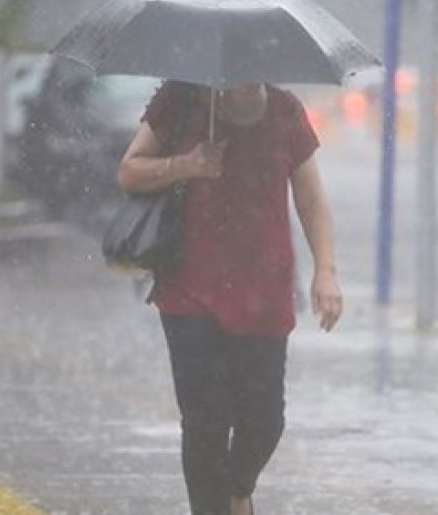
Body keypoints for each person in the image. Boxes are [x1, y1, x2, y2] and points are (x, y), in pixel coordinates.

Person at [118, 80, 343, 515]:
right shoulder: (180, 98)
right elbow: (130, 169)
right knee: (205, 422)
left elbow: (311, 198)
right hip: (189, 288)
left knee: (265, 420)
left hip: (265, 290)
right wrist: (186, 165)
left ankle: (238, 490)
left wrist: (326, 272)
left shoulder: (285, 110)